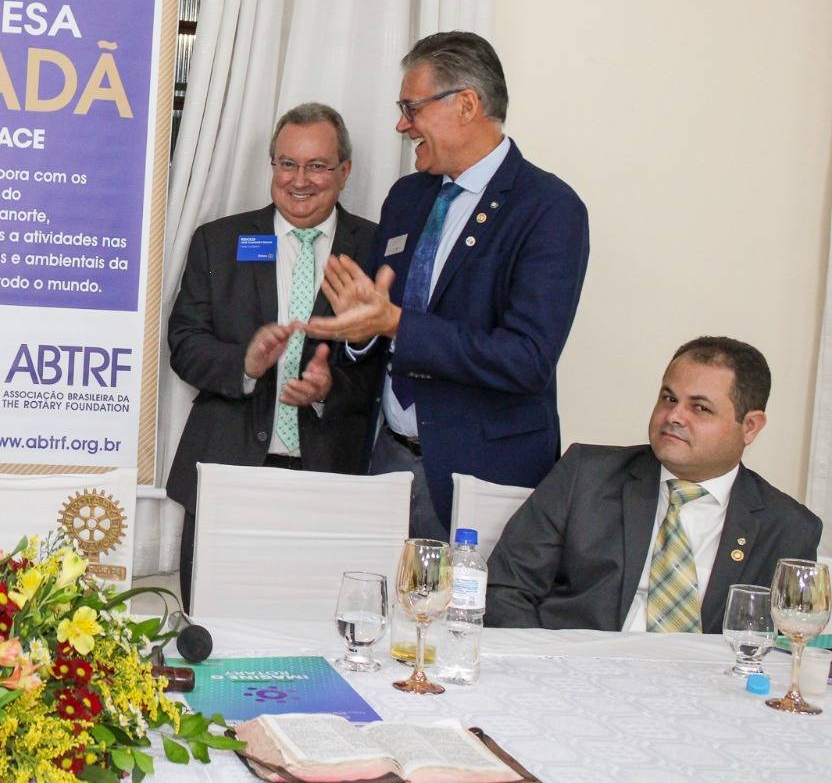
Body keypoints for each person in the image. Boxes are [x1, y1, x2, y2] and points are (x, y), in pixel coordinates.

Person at [301, 31, 590, 540]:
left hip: (481, 477)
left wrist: (396, 323)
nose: (401, 125)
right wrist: (362, 332)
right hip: (386, 461)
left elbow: (526, 359)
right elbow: (381, 322)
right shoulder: (406, 198)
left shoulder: (548, 209)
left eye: (411, 108)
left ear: (467, 104)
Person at [165, 103, 378, 609]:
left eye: (316, 166)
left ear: (345, 171)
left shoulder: (375, 248)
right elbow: (185, 342)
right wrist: (244, 365)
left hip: (331, 479)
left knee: (317, 629)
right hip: (228, 473)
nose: (299, 180)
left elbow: (390, 364)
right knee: (212, 626)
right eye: (287, 164)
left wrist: (331, 389)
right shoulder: (220, 241)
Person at [486, 337, 822, 633]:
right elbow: (506, 588)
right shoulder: (584, 475)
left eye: (700, 408)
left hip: (702, 682)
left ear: (750, 426)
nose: (674, 416)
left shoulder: (788, 528)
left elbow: (787, 644)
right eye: (669, 398)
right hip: (573, 670)